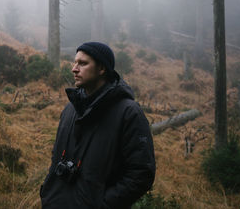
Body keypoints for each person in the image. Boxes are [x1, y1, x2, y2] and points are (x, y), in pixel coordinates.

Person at [40, 42, 156, 209]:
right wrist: (48, 193)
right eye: (75, 62)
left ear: (102, 69)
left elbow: (141, 174)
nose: (74, 68)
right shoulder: (70, 109)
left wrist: (103, 204)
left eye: (83, 63)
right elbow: (56, 157)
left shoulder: (128, 113)